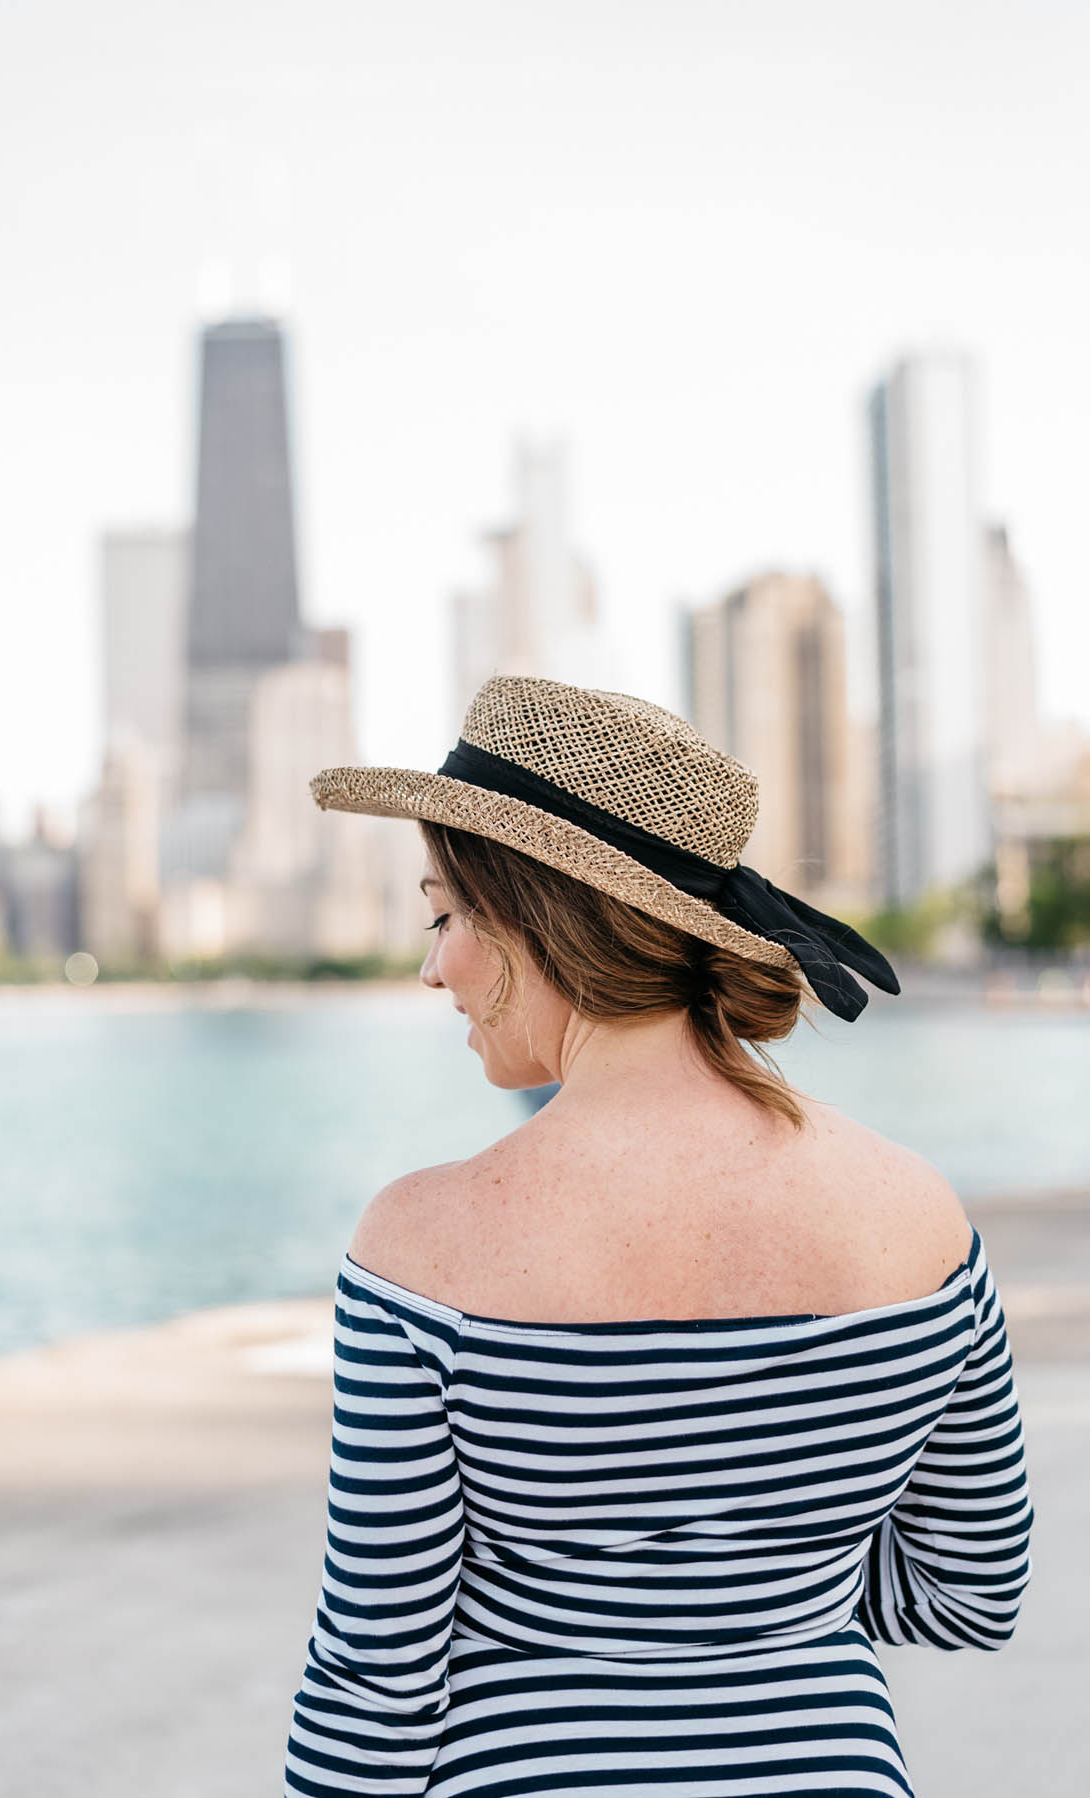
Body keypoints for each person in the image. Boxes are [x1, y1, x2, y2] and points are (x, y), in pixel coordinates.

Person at [284, 674, 1033, 1798]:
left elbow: (377, 1674)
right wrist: (773, 1578)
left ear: (533, 917)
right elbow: (971, 1593)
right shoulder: (921, 1215)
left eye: (443, 914)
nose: (432, 965)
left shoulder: (419, 1244)